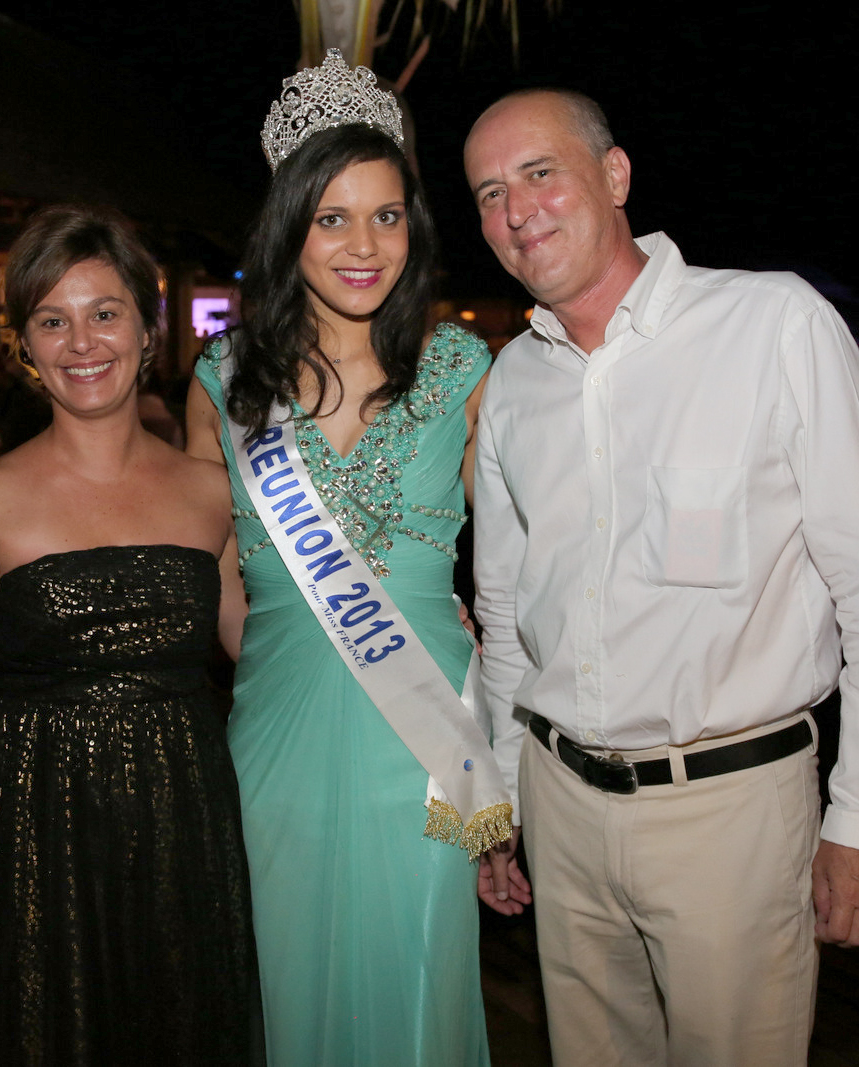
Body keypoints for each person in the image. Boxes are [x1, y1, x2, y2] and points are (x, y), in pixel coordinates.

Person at [464, 88, 859, 1066]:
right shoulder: (512, 379)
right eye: (488, 193)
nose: (516, 211)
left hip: (728, 814)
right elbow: (506, 611)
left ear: (613, 176)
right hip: (559, 807)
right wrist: (501, 798)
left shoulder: (771, 324)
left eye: (539, 173)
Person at [187, 50, 513, 1067]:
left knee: (416, 981)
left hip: (427, 746)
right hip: (276, 738)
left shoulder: (462, 370)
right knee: (287, 983)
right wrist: (281, 647)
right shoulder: (222, 382)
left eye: (386, 215)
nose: (363, 245)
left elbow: (522, 561)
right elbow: (211, 573)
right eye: (331, 217)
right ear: (289, 227)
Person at [0, 204, 258, 1064]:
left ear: (148, 327)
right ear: (25, 345)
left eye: (104, 312)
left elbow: (266, 658)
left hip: (188, 832)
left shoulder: (214, 493)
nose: (82, 342)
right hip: (35, 838)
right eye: (52, 320)